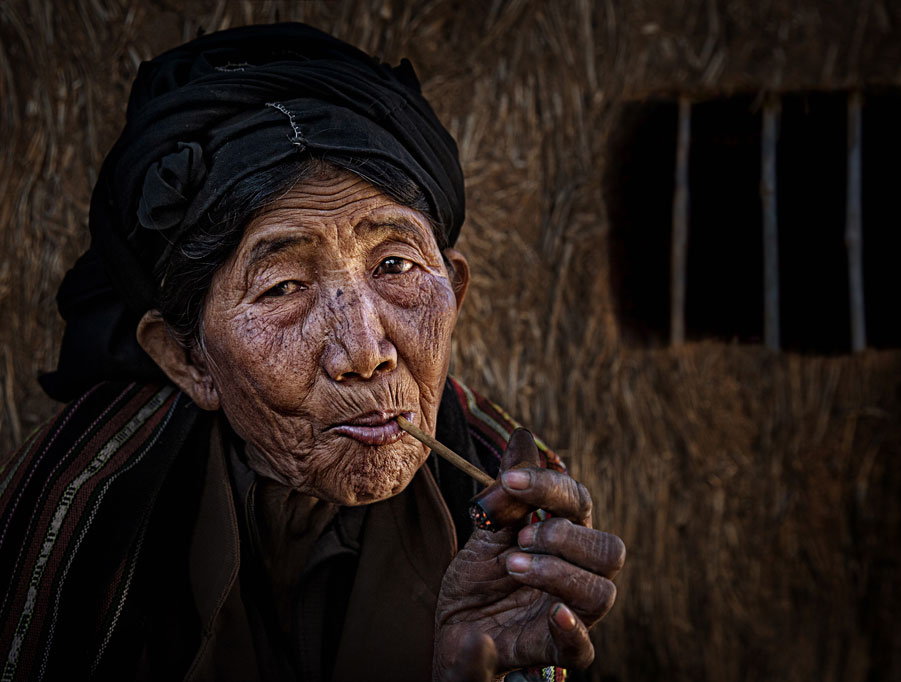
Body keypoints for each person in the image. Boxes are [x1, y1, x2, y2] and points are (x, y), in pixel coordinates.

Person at [0, 23, 625, 682]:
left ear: (456, 292)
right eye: (284, 286)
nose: (364, 352)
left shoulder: (509, 511)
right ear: (188, 360)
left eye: (394, 263)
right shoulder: (76, 519)